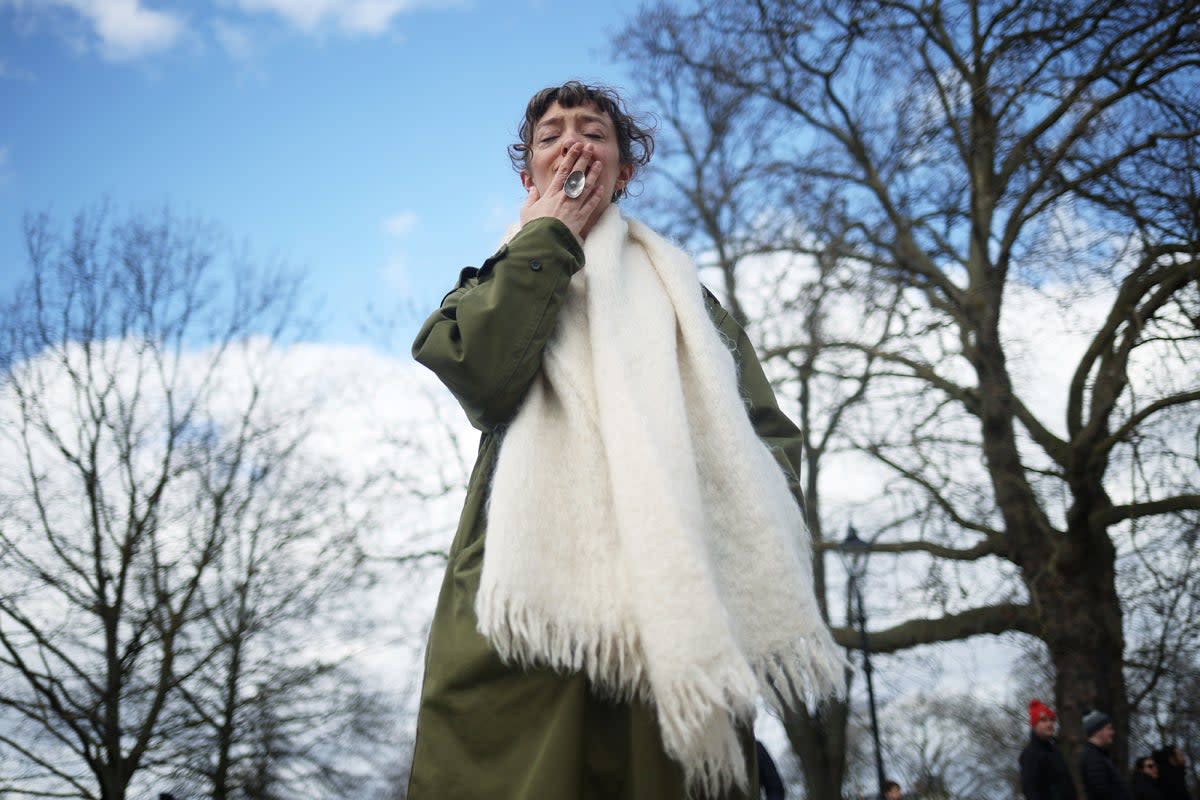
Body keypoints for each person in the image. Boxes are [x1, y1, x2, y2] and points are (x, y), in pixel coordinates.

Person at [406, 81, 845, 800]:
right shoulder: (496, 277)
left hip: (672, 598)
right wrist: (549, 236)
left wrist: (718, 537)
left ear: (624, 170)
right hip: (527, 614)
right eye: (551, 136)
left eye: (593, 133)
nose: (573, 143)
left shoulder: (688, 304)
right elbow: (479, 373)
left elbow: (765, 439)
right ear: (529, 174)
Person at [1019, 698, 1077, 800]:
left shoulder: (1055, 750)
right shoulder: (1030, 754)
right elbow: (1031, 791)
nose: (1049, 724)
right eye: (1044, 720)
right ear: (1034, 725)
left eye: (1051, 720)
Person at [1079, 710, 1132, 800]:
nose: (1112, 732)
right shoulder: (1092, 758)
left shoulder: (1098, 755)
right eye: (1109, 728)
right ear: (1098, 731)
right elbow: (1102, 793)